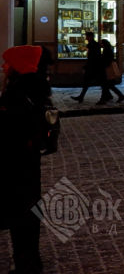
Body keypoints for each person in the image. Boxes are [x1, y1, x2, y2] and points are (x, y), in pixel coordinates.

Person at [1, 46, 52, 274]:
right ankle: (29, 261)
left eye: (8, 64)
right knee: (26, 215)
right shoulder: (34, 89)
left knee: (22, 214)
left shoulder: (19, 93)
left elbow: (13, 127)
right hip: (25, 164)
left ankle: (28, 264)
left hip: (16, 164)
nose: (4, 68)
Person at [70, 30, 106, 104]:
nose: (86, 38)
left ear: (90, 37)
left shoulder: (92, 45)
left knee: (101, 83)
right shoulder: (93, 44)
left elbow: (92, 57)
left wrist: (86, 66)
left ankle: (103, 98)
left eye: (87, 36)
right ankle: (81, 97)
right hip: (95, 66)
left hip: (94, 67)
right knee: (89, 82)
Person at [98, 38, 124, 104]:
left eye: (101, 43)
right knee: (108, 85)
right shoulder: (109, 49)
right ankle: (111, 96)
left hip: (108, 70)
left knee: (107, 85)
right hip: (109, 69)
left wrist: (102, 60)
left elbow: (107, 60)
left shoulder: (106, 50)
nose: (101, 45)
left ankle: (105, 99)